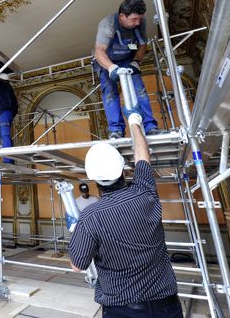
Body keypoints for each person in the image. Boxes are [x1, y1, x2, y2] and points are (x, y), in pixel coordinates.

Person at [68, 109, 181, 317]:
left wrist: (79, 234)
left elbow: (77, 265)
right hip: (167, 305)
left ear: (94, 180)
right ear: (122, 171)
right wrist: (135, 123)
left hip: (122, 309)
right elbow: (142, 156)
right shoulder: (145, 193)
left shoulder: (91, 216)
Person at [93, 0, 160, 139]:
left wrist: (136, 61)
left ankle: (150, 126)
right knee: (110, 93)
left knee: (140, 91)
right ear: (122, 16)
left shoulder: (140, 23)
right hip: (106, 61)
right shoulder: (108, 25)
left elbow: (142, 45)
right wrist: (111, 68)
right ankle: (116, 130)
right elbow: (99, 51)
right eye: (134, 19)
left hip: (127, 60)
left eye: (140, 19)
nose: (138, 22)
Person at [0, 66, 19, 164]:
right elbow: (7, 102)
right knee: (5, 135)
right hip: (7, 113)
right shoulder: (8, 89)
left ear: (1, 79)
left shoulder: (3, 85)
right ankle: (10, 158)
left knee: (5, 134)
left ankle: (8, 160)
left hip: (5, 114)